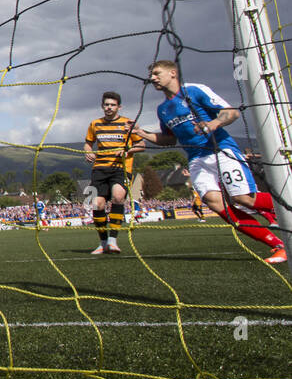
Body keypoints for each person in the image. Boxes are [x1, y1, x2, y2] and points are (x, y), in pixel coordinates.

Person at [136, 59, 285, 264]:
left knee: (243, 198)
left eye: (156, 73)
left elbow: (231, 112)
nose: (152, 78)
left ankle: (286, 203)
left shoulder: (195, 91)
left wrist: (214, 123)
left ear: (172, 73)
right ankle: (280, 246)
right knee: (215, 203)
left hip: (221, 150)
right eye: (151, 75)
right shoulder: (163, 109)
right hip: (196, 159)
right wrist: (142, 133)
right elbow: (169, 139)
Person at [84, 90, 146, 254]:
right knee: (97, 203)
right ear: (102, 106)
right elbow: (88, 144)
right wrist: (88, 151)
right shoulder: (95, 124)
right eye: (106, 104)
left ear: (119, 107)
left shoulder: (127, 123)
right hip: (100, 168)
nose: (109, 107)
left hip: (121, 168)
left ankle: (113, 241)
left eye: (112, 105)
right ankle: (103, 242)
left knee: (118, 197)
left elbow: (142, 146)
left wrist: (128, 151)